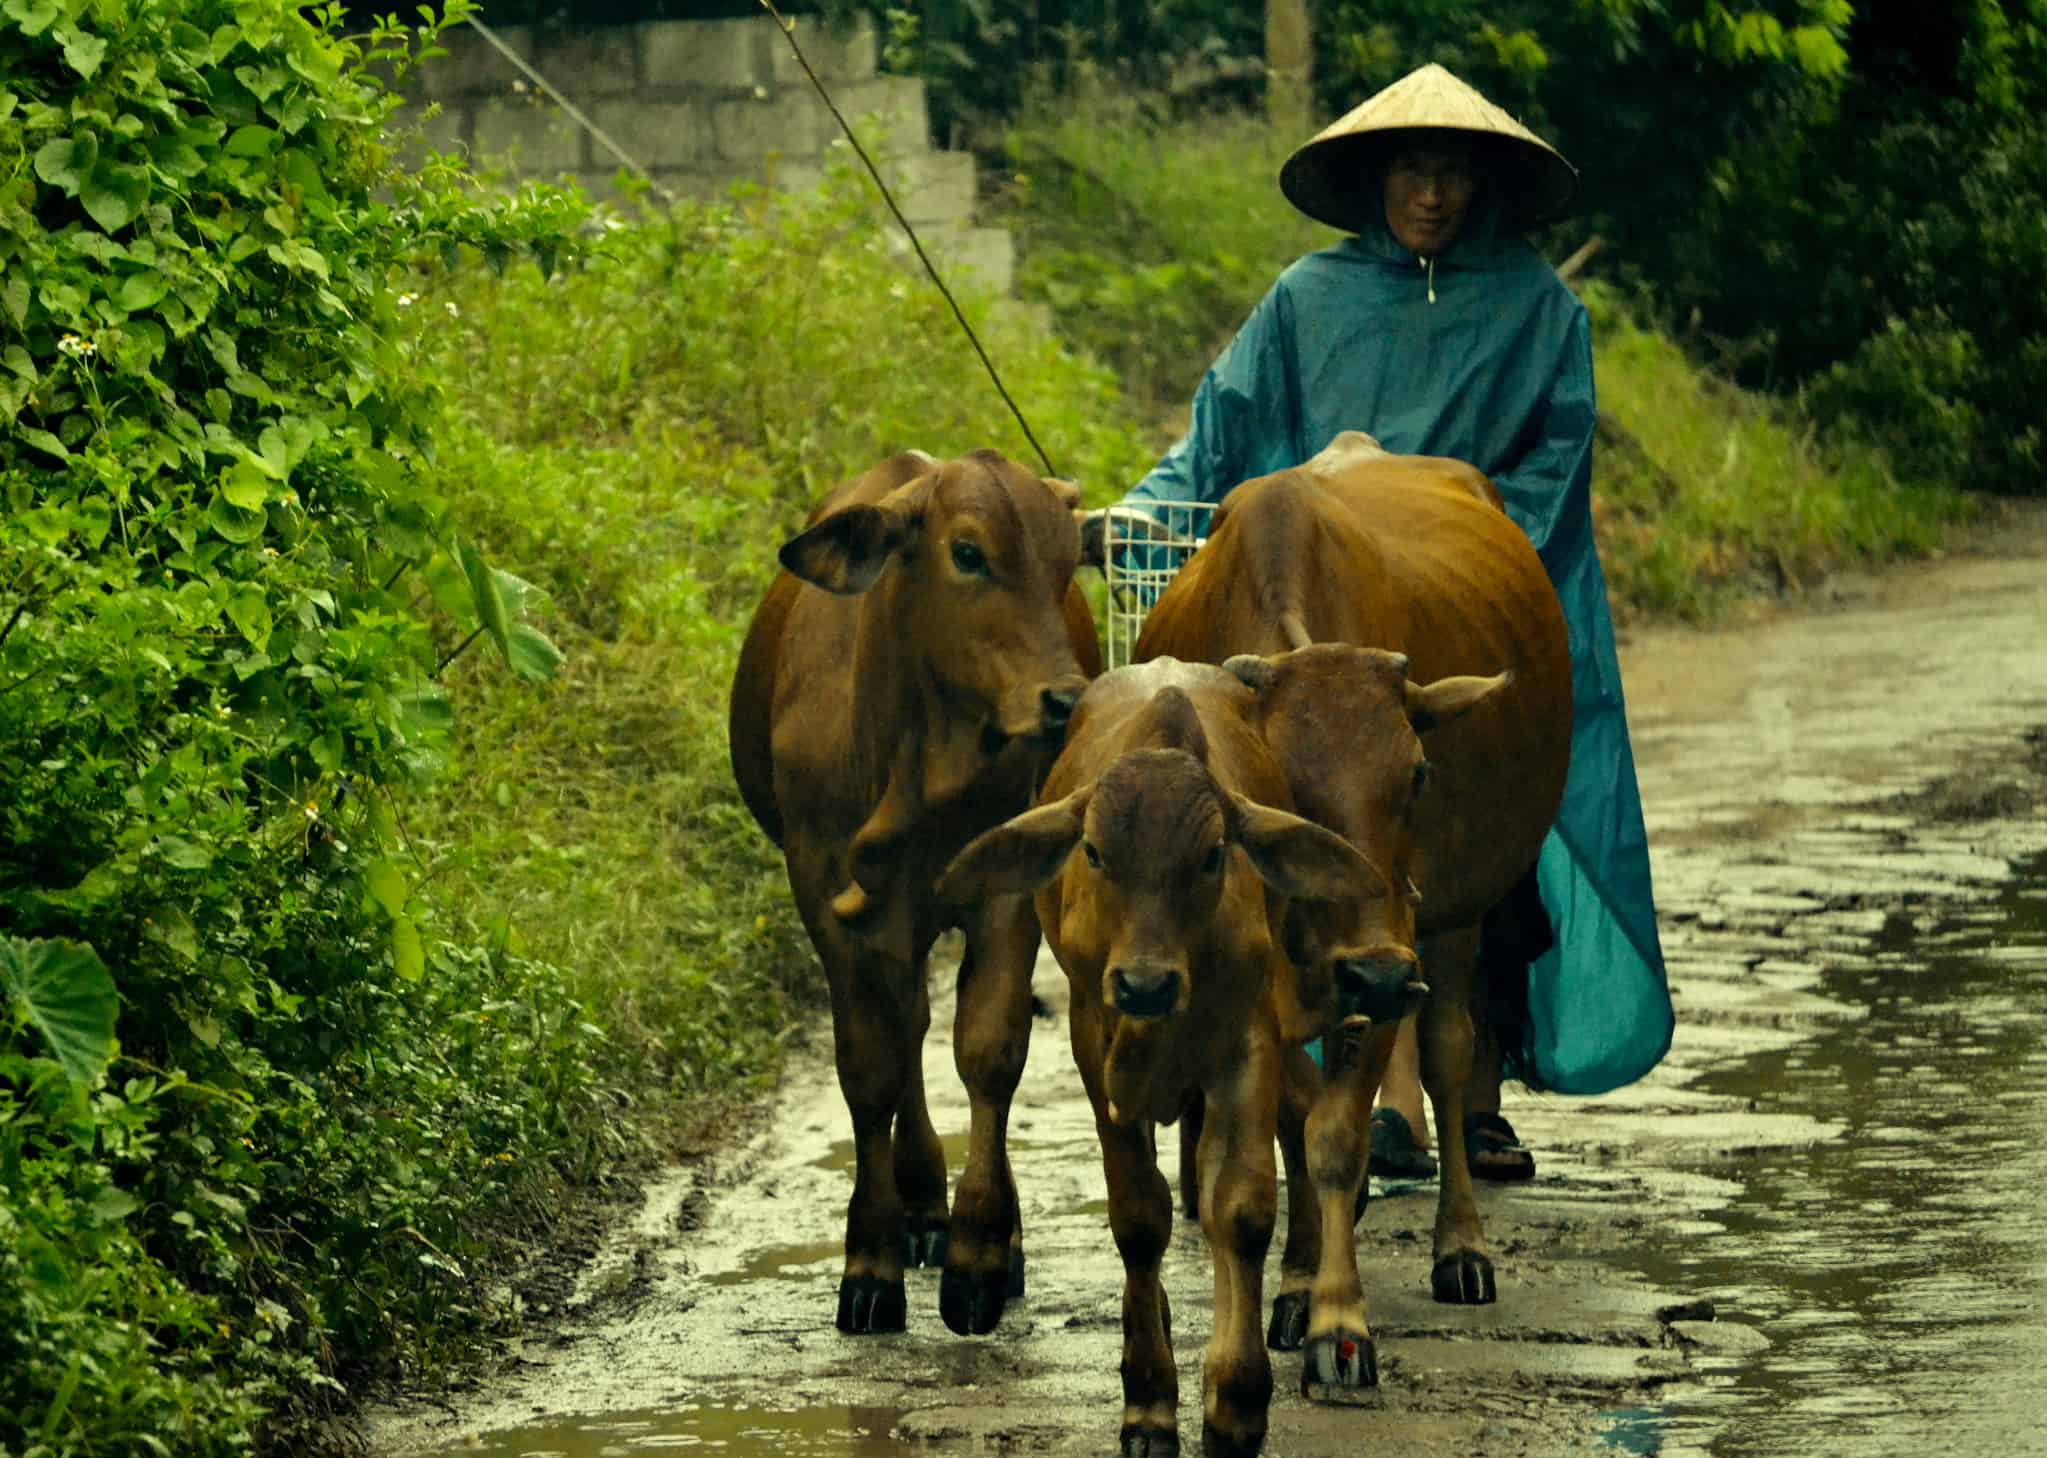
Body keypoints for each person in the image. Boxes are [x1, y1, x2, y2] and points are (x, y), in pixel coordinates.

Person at [1089, 63, 1673, 1182]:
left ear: (1485, 186)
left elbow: (1552, 467)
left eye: (1455, 172)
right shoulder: (1307, 299)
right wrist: (1135, 521)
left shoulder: (1540, 310)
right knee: (1287, 831)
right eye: (1415, 169)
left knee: (1480, 848)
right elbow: (1218, 437)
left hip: (1462, 614)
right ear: (1376, 179)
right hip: (1310, 613)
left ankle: (1475, 1086)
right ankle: (1298, 1074)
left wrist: (1479, 553)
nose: (1434, 195)